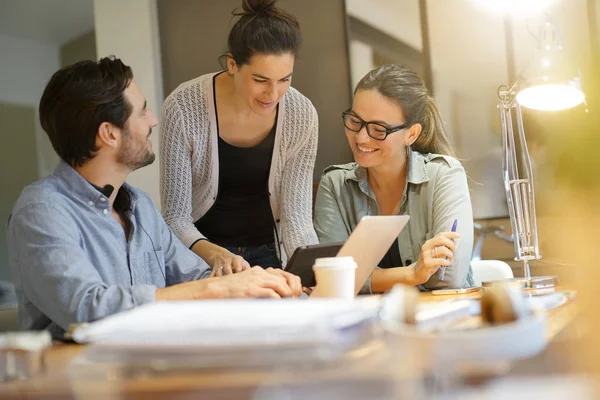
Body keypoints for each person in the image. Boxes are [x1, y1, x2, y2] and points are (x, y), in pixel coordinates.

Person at [6, 57, 302, 340]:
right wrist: (219, 289)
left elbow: (197, 277)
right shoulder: (42, 211)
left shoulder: (140, 207)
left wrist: (262, 284)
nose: (154, 120)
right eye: (142, 111)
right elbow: (86, 307)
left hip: (150, 372)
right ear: (108, 133)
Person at [160, 0, 318, 276]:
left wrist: (308, 275)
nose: (273, 94)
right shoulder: (183, 107)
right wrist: (216, 254)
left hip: (270, 255)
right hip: (201, 258)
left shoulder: (301, 114)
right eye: (260, 80)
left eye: (284, 80)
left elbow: (298, 220)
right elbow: (175, 217)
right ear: (232, 64)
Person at [314, 64, 474, 293]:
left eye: (378, 129)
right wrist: (413, 274)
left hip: (443, 319)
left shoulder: (444, 175)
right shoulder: (335, 184)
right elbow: (332, 280)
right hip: (368, 324)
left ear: (411, 134)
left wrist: (366, 278)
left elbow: (446, 278)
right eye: (355, 121)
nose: (361, 138)